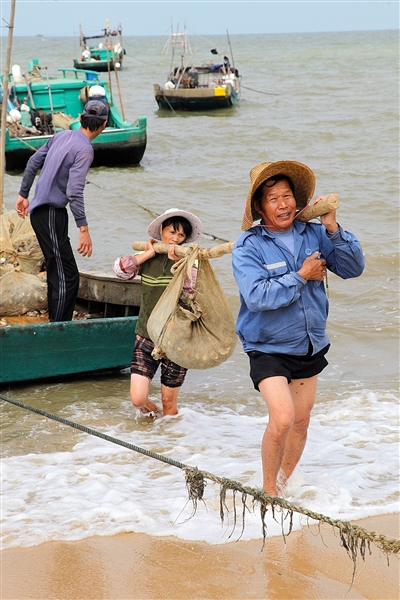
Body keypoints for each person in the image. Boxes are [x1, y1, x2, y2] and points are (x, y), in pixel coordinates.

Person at [232, 160, 364, 496]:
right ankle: (267, 491)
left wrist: (333, 228)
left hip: (309, 343)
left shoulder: (314, 233)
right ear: (259, 208)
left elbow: (352, 268)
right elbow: (257, 296)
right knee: (282, 418)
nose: (283, 204)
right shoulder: (248, 246)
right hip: (266, 345)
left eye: (287, 196)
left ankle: (284, 482)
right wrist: (301, 275)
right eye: (273, 199)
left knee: (301, 422)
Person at [15, 99, 109, 322]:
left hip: (44, 213)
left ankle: (56, 325)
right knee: (67, 274)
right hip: (50, 213)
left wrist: (23, 194)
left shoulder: (62, 135)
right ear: (104, 125)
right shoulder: (85, 149)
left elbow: (32, 162)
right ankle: (59, 330)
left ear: (81, 118)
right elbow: (75, 191)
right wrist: (83, 228)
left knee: (59, 272)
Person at [113, 208, 203, 417]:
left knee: (169, 404)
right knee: (138, 399)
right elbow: (120, 270)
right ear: (161, 230)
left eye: (181, 236)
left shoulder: (190, 260)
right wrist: (149, 253)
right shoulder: (146, 257)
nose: (176, 239)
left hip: (177, 339)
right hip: (146, 335)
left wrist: (179, 262)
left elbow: (191, 290)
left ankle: (166, 442)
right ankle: (154, 420)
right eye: (172, 232)